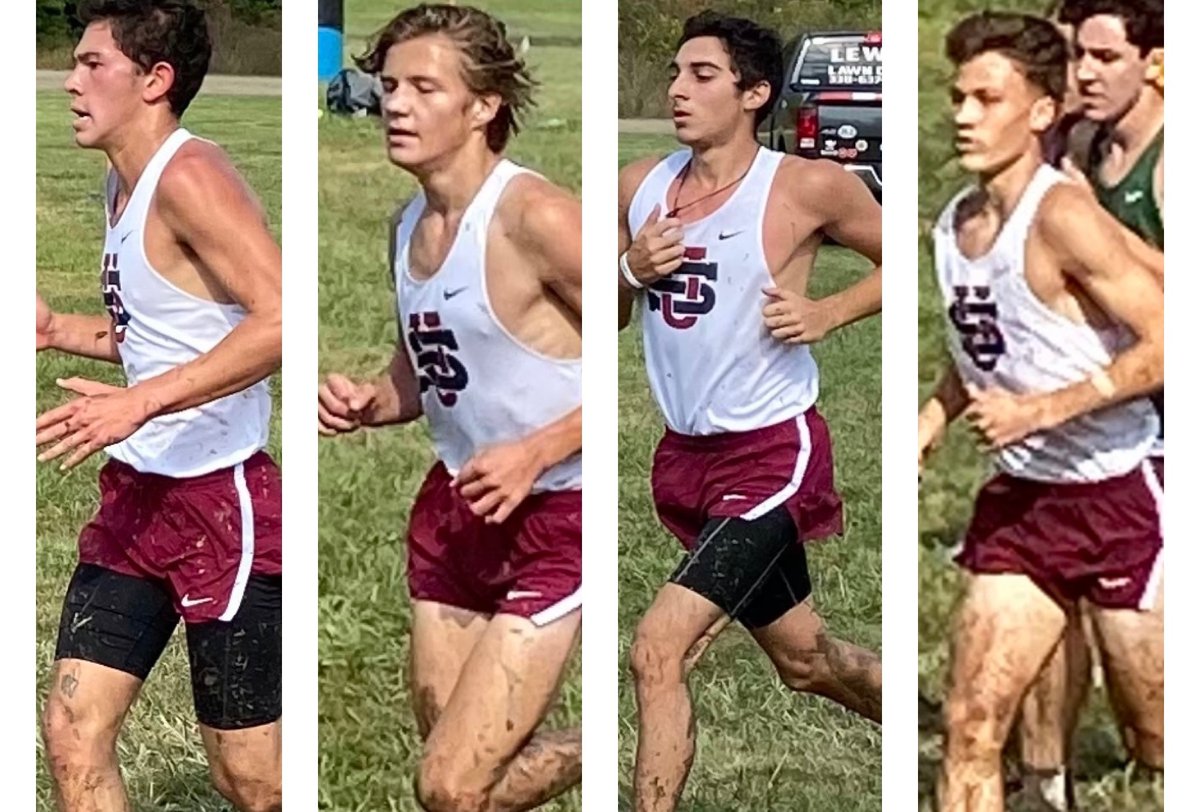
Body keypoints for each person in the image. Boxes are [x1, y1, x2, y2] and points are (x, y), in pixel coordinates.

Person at [317, 5, 582, 810]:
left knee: (448, 785)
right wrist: (372, 400)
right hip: (458, 509)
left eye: (424, 87)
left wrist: (538, 451)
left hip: (558, 513)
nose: (394, 103)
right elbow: (424, 371)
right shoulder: (408, 225)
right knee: (453, 756)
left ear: (483, 106)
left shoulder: (534, 216)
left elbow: (644, 370)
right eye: (390, 84)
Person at [617, 12, 883, 811]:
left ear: (755, 93)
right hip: (684, 460)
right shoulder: (638, 186)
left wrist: (829, 312)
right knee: (807, 663)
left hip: (773, 453)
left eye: (702, 75)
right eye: (674, 72)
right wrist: (629, 272)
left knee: (656, 650)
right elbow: (596, 320)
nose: (677, 89)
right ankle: (935, 723)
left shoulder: (805, 184)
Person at [35, 1, 283, 811]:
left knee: (250, 779)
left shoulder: (190, 176)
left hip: (221, 501)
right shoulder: (123, 180)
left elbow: (282, 319)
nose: (70, 82)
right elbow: (162, 330)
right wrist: (54, 330)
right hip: (138, 499)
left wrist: (141, 404)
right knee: (74, 733)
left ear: (156, 80)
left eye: (92, 64)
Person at [916, 12, 1164, 812]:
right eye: (959, 96)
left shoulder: (1064, 216)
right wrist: (932, 418)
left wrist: (1046, 409)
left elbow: (1173, 336)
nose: (963, 115)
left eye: (988, 99)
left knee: (1156, 737)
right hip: (1024, 504)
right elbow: (988, 347)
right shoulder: (954, 224)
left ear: (1040, 113)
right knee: (971, 726)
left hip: (1123, 495)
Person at [1016, 3, 1164, 806]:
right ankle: (1044, 780)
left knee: (1159, 737)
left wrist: (1096, 230)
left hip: (1173, 427)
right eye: (1075, 56)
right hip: (1096, 426)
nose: (1085, 74)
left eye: (1106, 56)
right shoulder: (1079, 144)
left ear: (1156, 60)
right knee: (1041, 587)